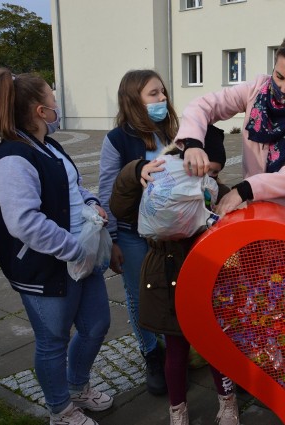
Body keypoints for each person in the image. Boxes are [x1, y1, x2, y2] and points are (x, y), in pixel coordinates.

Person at [0, 69, 112, 425]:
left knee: (96, 324)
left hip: (80, 260)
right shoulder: (12, 158)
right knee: (52, 340)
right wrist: (73, 249)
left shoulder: (48, 146)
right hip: (48, 268)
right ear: (41, 111)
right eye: (53, 99)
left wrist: (90, 203)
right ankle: (60, 409)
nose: (58, 104)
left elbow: (72, 187)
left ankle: (77, 386)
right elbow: (24, 222)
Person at [109, 135, 240, 425]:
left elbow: (234, 227)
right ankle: (177, 409)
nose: (208, 179)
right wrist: (135, 171)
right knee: (176, 349)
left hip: (208, 276)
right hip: (165, 276)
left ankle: (227, 403)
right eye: (203, 170)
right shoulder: (158, 180)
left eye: (215, 173)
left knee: (215, 346)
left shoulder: (218, 190)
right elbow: (119, 208)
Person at [176, 32, 285, 234]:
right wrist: (193, 143)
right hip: (257, 205)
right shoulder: (255, 90)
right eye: (279, 76)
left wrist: (244, 189)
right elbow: (203, 106)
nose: (283, 88)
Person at [98, 69, 179, 395]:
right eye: (153, 94)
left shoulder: (168, 131)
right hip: (132, 235)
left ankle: (174, 347)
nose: (162, 99)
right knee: (139, 295)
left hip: (169, 233)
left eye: (162, 92)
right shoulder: (116, 140)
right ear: (133, 99)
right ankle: (151, 354)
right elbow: (107, 193)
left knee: (172, 291)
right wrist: (114, 239)